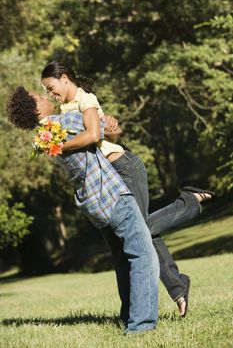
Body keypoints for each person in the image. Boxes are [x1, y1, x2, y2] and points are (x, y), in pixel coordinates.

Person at [40, 62, 214, 318]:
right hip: (109, 177)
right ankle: (164, 295)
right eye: (46, 91)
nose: (50, 95)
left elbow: (93, 136)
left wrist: (58, 147)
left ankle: (187, 203)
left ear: (64, 78)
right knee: (136, 238)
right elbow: (109, 133)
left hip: (123, 168)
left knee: (139, 233)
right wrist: (113, 126)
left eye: (51, 88)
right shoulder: (65, 109)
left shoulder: (84, 98)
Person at [7, 87, 160, 334]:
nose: (45, 98)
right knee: (143, 255)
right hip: (112, 195)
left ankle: (128, 315)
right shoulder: (63, 122)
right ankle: (140, 325)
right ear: (35, 109)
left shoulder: (44, 139)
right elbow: (99, 127)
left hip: (93, 203)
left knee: (123, 258)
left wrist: (104, 124)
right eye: (39, 97)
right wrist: (91, 104)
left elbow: (100, 128)